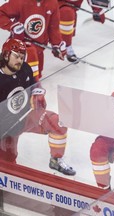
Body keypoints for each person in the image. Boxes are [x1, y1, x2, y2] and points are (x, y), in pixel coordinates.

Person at [0, 38, 75, 176]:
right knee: (8, 166)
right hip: (4, 129)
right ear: (5, 55)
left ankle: (56, 160)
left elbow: (35, 85)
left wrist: (37, 93)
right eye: (16, 56)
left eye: (22, 57)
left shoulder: (25, 69)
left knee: (56, 123)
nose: (20, 60)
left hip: (24, 117)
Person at [0, 0, 67, 81]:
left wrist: (57, 44)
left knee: (35, 75)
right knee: (25, 79)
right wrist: (12, 26)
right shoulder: (20, 1)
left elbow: (53, 27)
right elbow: (1, 13)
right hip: (17, 49)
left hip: (38, 50)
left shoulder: (52, 3)